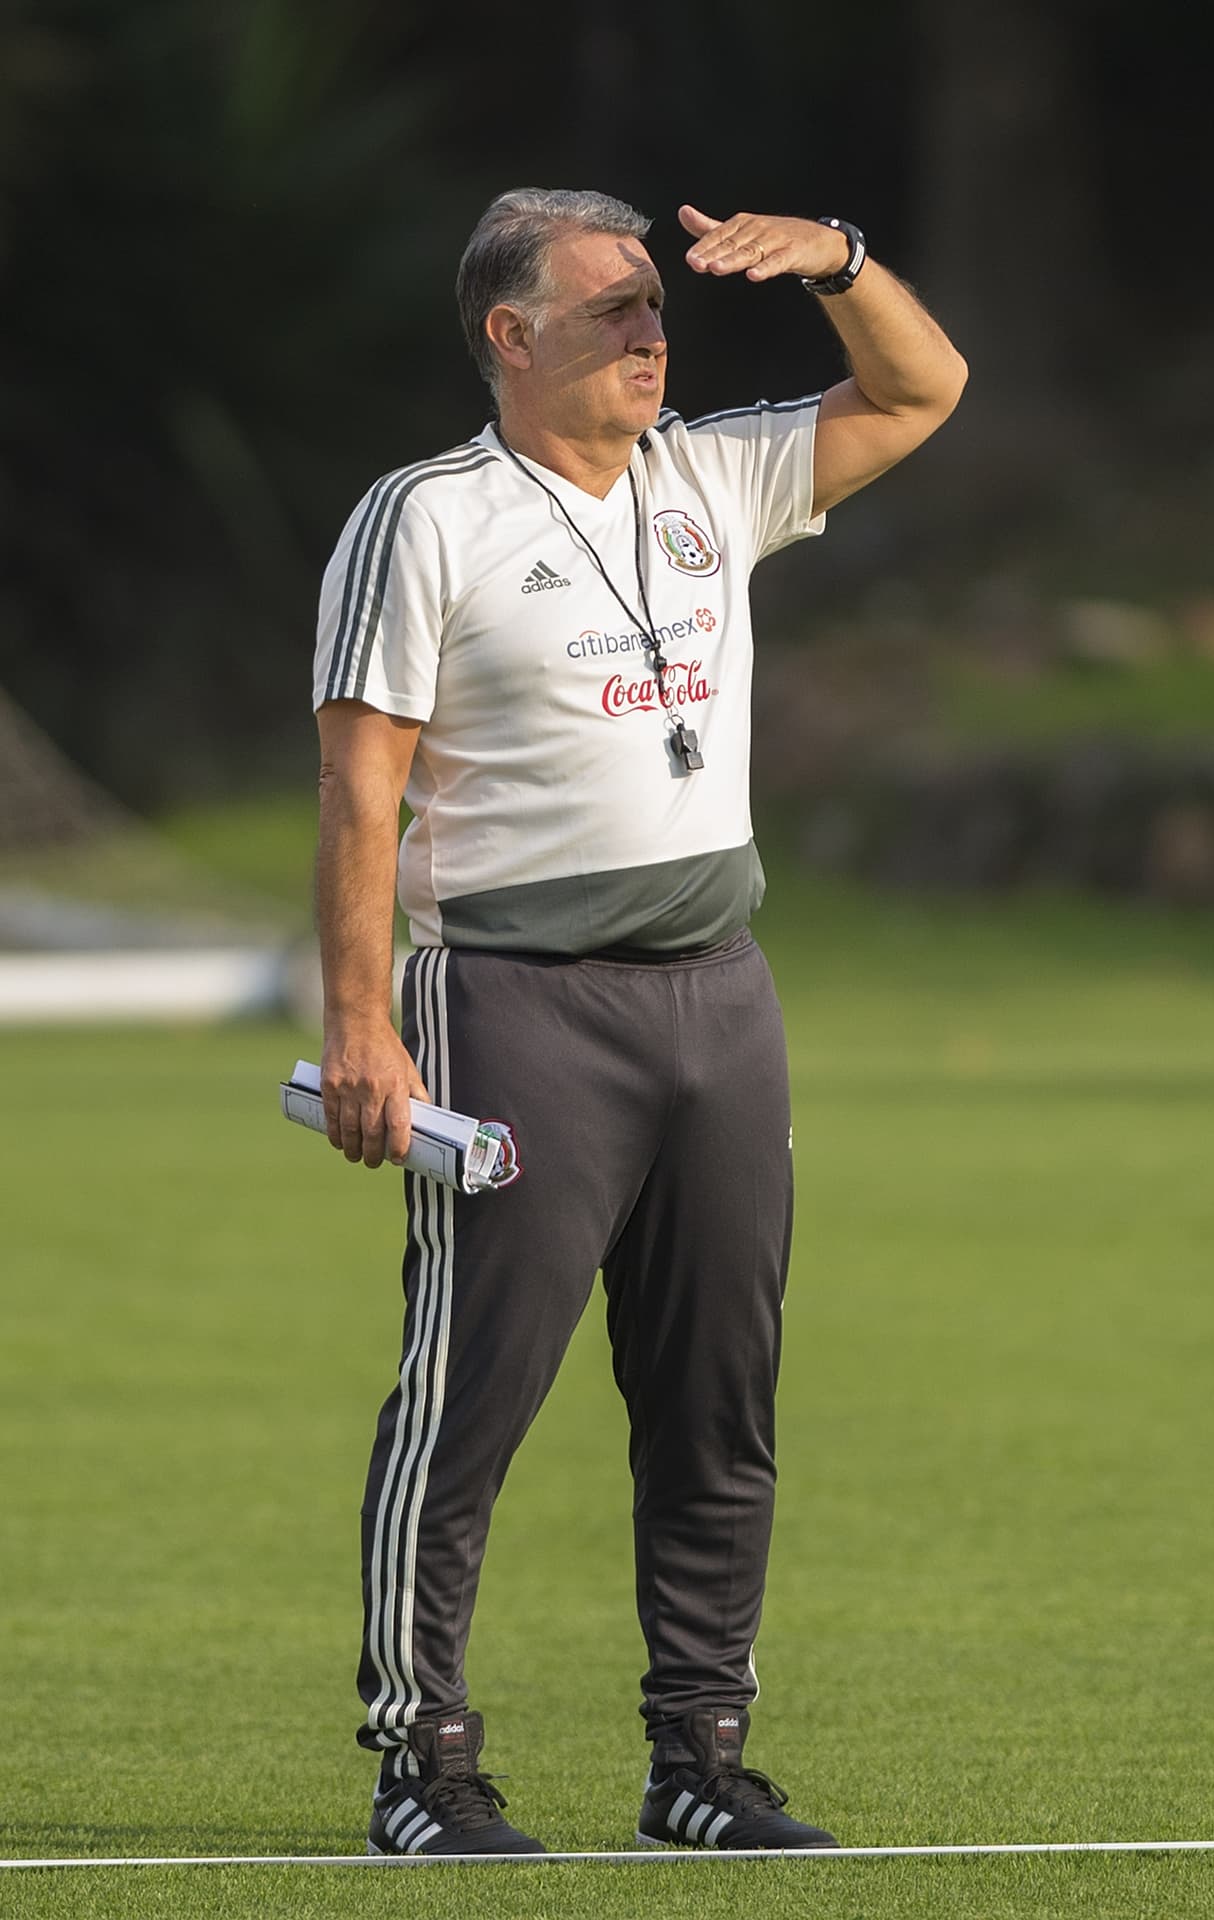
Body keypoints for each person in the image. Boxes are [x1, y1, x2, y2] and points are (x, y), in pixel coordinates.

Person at [312, 187, 966, 1857]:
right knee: (474, 1393)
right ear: (508, 335)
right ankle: (424, 1766)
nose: (650, 334)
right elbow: (357, 794)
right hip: (514, 1005)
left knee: (716, 1396)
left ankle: (701, 1762)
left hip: (719, 999)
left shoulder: (707, 475)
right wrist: (364, 1025)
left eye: (657, 307)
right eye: (608, 311)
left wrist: (841, 260)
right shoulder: (428, 517)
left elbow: (918, 390)